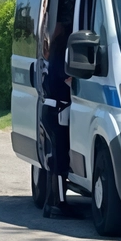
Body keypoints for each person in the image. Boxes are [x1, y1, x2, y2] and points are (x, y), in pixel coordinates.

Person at [41, 21, 81, 219]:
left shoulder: (54, 52)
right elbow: (68, 80)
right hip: (59, 109)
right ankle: (59, 203)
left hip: (49, 107)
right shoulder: (63, 56)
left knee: (55, 156)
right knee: (60, 158)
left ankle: (51, 202)